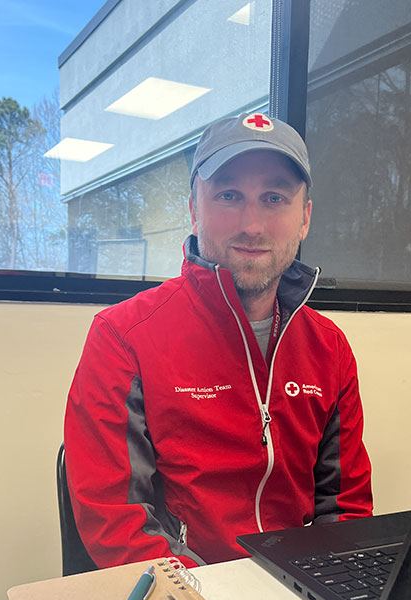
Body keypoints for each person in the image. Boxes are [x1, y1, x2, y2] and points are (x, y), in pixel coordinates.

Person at [64, 113, 373, 568]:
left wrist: (330, 587)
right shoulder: (122, 338)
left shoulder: (329, 349)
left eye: (274, 198)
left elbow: (345, 509)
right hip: (185, 593)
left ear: (304, 217)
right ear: (194, 209)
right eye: (229, 195)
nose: (252, 224)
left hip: (300, 592)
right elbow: (118, 523)